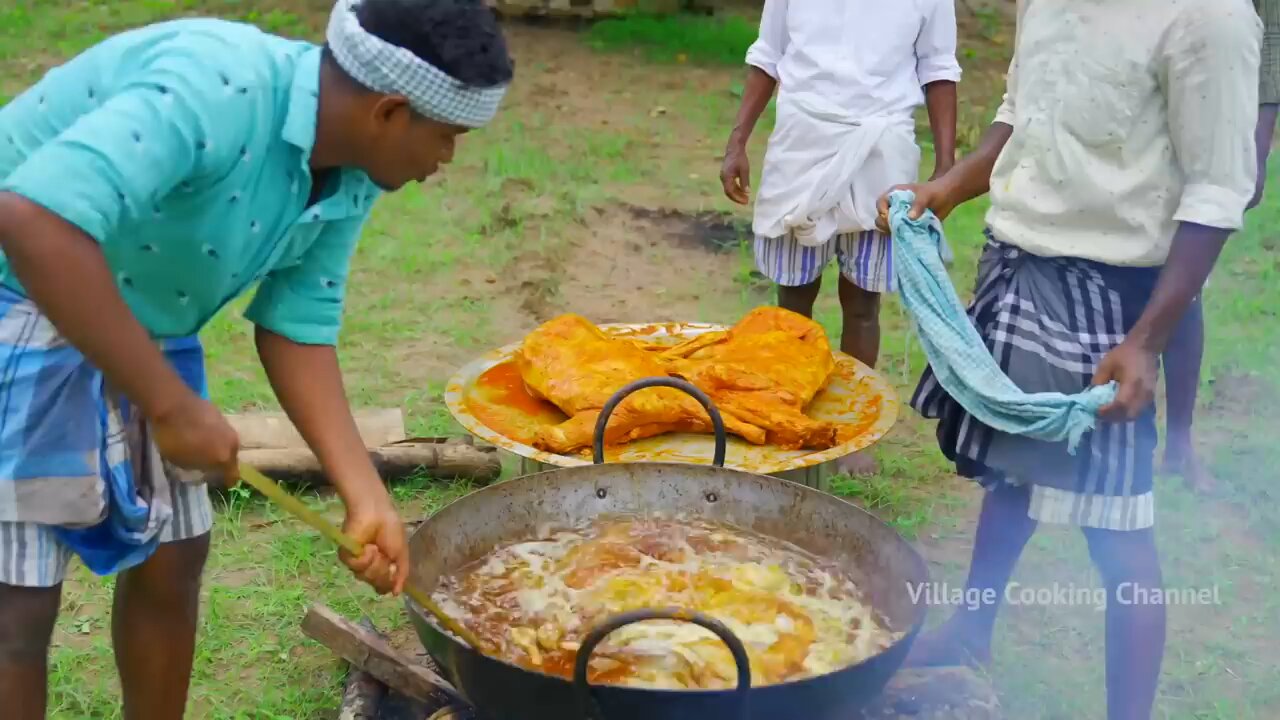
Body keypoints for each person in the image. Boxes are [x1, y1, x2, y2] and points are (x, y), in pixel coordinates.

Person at [0, 0, 512, 717]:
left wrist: (365, 495)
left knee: (172, 561)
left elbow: (296, 325)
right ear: (390, 111)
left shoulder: (351, 170)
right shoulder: (214, 85)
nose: (446, 161)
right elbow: (33, 217)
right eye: (449, 136)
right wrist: (170, 405)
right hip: (19, 292)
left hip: (140, 318)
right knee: (16, 607)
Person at [876, 1, 1260, 718]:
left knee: (1118, 526)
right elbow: (1021, 112)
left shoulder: (1210, 18)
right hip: (1019, 265)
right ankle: (971, 633)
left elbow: (1217, 190)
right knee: (1009, 472)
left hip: (1112, 299)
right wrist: (947, 189)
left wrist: (1146, 341)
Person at [720, 0, 960, 476]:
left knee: (863, 303)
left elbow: (938, 69)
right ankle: (784, 414)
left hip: (883, 156)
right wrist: (737, 141)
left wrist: (946, 171)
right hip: (801, 145)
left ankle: (854, 431)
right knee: (792, 303)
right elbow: (768, 54)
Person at [1160, 0, 1280, 495]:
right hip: (1129, 104)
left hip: (1211, 107)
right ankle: (1097, 435)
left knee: (1189, 278)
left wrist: (1258, 140)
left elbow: (1270, 35)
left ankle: (1179, 445)